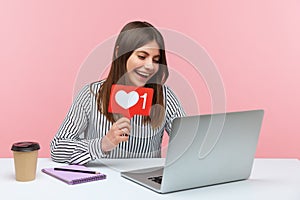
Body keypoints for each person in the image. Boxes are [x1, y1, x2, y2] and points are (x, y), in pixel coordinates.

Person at [50, 21, 185, 164]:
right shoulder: (91, 95)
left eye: (156, 60)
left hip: (145, 183)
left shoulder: (165, 97)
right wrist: (103, 144)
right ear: (119, 53)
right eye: (142, 56)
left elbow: (187, 142)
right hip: (100, 182)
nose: (150, 66)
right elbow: (57, 148)